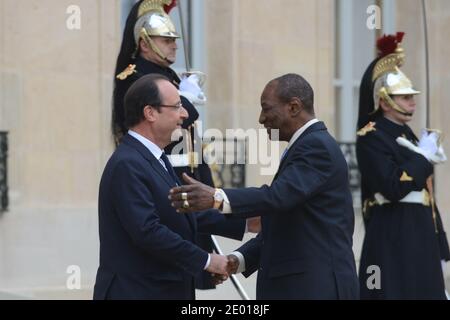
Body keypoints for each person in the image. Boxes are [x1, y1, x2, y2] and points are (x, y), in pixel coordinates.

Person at [168, 73, 359, 300]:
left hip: (316, 288)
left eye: (266, 109)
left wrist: (216, 197)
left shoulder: (316, 147)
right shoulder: (306, 145)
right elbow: (284, 223)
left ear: (294, 107)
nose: (261, 118)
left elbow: (276, 197)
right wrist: (237, 261)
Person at [111, 0, 257, 290]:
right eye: (166, 40)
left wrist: (241, 221)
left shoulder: (168, 78)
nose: (174, 46)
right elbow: (153, 230)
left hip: (184, 171)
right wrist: (186, 98)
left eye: (174, 40)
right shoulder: (136, 78)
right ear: (144, 43)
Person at [93, 74, 247, 300]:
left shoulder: (156, 158)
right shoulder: (127, 164)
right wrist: (206, 260)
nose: (185, 114)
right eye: (177, 106)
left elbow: (178, 213)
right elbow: (148, 231)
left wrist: (245, 221)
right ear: (150, 113)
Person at [356, 32, 450, 299]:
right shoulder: (371, 137)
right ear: (384, 101)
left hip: (421, 234)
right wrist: (422, 157)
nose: (413, 101)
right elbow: (393, 186)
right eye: (405, 96)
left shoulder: (409, 136)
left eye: (412, 95)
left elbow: (428, 197)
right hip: (394, 235)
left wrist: (440, 244)